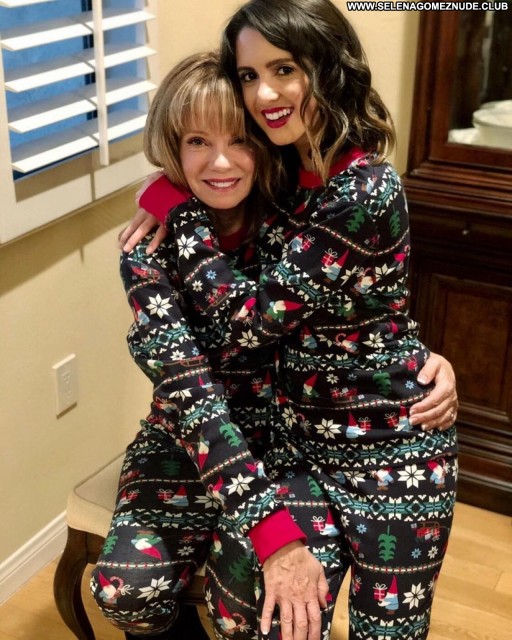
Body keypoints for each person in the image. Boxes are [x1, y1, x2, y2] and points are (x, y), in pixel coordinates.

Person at [122, 2, 459, 639]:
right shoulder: (279, 175)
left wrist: (176, 209)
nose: (264, 94)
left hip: (392, 452)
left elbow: (252, 322)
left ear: (326, 66)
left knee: (389, 632)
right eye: (249, 76)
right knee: (274, 621)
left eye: (283, 69)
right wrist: (163, 186)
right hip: (298, 449)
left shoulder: (365, 187)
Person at [90, 51, 310, 640]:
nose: (220, 162)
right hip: (183, 441)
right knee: (124, 590)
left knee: (244, 610)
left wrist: (426, 358)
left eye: (239, 139)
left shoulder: (293, 226)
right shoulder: (147, 251)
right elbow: (190, 393)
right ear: (173, 146)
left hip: (281, 446)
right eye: (196, 141)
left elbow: (358, 316)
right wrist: (168, 200)